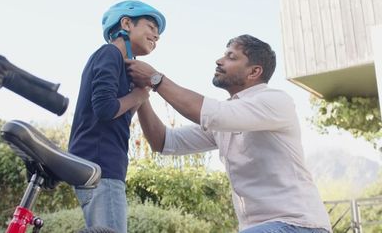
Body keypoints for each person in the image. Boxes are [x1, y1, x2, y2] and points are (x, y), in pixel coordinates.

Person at [126, 34, 332, 233]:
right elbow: (163, 141)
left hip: (299, 225)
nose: (219, 60)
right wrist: (141, 95)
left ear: (254, 72)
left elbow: (211, 114)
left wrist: (156, 79)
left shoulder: (275, 101)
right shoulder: (228, 116)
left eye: (231, 57)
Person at [68, 0, 166, 233]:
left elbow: (116, 113)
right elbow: (104, 108)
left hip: (98, 162)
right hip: (102, 164)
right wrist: (139, 95)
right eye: (151, 26)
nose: (157, 35)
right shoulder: (110, 53)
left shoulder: (117, 63)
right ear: (126, 23)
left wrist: (137, 93)